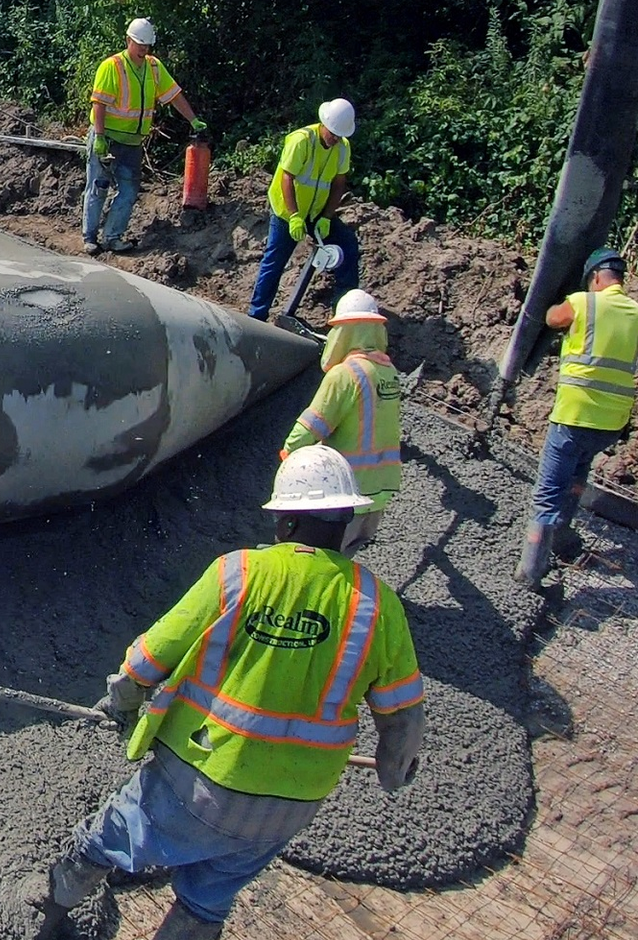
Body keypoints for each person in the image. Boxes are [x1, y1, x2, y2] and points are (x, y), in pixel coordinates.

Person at [32, 445, 424, 940]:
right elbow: (403, 718)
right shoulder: (377, 604)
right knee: (208, 898)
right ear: (346, 519)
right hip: (291, 804)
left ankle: (44, 914)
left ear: (285, 521)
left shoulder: (238, 573)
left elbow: (149, 659)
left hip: (202, 780)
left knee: (106, 838)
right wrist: (394, 770)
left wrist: (122, 703)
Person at [515, 248, 637, 587]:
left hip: (574, 415)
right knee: (578, 474)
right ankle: (563, 537)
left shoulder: (585, 302)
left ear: (596, 277)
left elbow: (553, 317)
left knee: (548, 491)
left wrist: (558, 300)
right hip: (610, 423)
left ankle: (530, 570)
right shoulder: (636, 312)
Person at [280, 289, 402, 556]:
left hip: (345, 492)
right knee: (347, 555)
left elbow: (312, 426)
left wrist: (288, 454)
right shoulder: (388, 373)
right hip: (379, 491)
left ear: (344, 332)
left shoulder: (345, 375)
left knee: (322, 559)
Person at [82, 18, 203, 256]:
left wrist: (192, 119)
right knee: (99, 186)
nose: (143, 49)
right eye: (139, 44)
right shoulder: (113, 66)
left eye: (146, 45)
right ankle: (90, 237)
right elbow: (99, 104)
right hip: (108, 139)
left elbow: (174, 95)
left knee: (128, 191)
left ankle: (113, 237)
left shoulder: (154, 68)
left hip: (133, 143)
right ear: (128, 41)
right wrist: (99, 136)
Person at [247, 99, 359, 320]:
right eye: (333, 133)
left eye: (339, 135)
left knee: (348, 245)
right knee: (275, 261)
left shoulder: (342, 147)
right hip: (288, 212)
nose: (335, 138)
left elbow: (339, 183)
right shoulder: (302, 141)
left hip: (316, 212)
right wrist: (295, 216)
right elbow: (287, 178)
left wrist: (327, 216)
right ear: (323, 123)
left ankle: (345, 314)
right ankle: (256, 316)